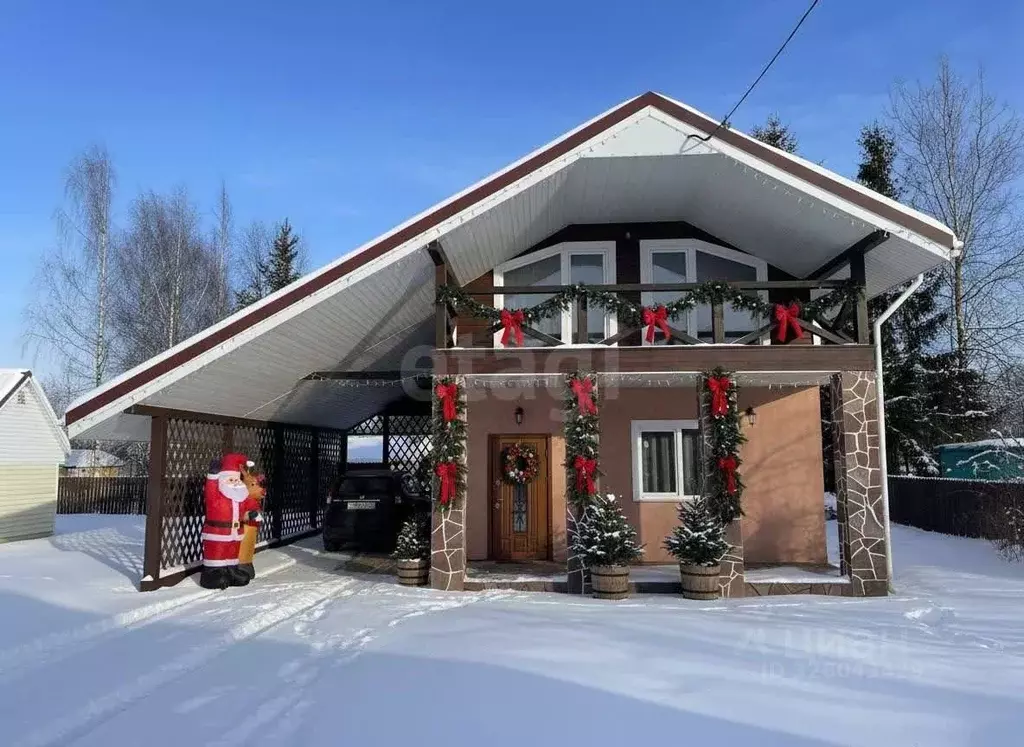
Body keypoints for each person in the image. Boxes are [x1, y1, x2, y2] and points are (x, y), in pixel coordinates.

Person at [198, 453, 263, 589]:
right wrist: (213, 475)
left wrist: (249, 515)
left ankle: (231, 570)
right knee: (218, 553)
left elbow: (246, 510)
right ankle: (212, 573)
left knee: (232, 553)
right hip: (218, 533)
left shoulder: (240, 496)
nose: (235, 482)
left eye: (236, 479)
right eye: (230, 480)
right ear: (222, 480)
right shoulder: (217, 495)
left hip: (235, 533)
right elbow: (210, 490)